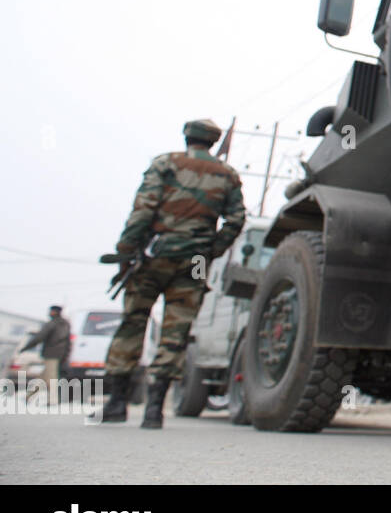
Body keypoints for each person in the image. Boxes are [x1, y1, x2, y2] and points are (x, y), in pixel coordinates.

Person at [100, 119, 246, 428]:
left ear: (188, 137)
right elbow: (235, 221)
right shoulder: (228, 175)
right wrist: (211, 250)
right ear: (212, 141)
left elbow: (143, 208)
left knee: (132, 323)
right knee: (176, 332)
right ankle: (154, 411)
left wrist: (126, 251)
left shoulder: (166, 164)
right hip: (194, 260)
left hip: (156, 254)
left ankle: (116, 404)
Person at [22, 305, 71, 402]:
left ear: (54, 312)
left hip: (51, 354)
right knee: (43, 377)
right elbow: (68, 341)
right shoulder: (65, 324)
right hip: (60, 354)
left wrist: (26, 347)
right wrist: (66, 354)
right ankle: (29, 395)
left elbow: (40, 337)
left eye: (51, 311)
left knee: (51, 378)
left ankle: (53, 399)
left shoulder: (52, 324)